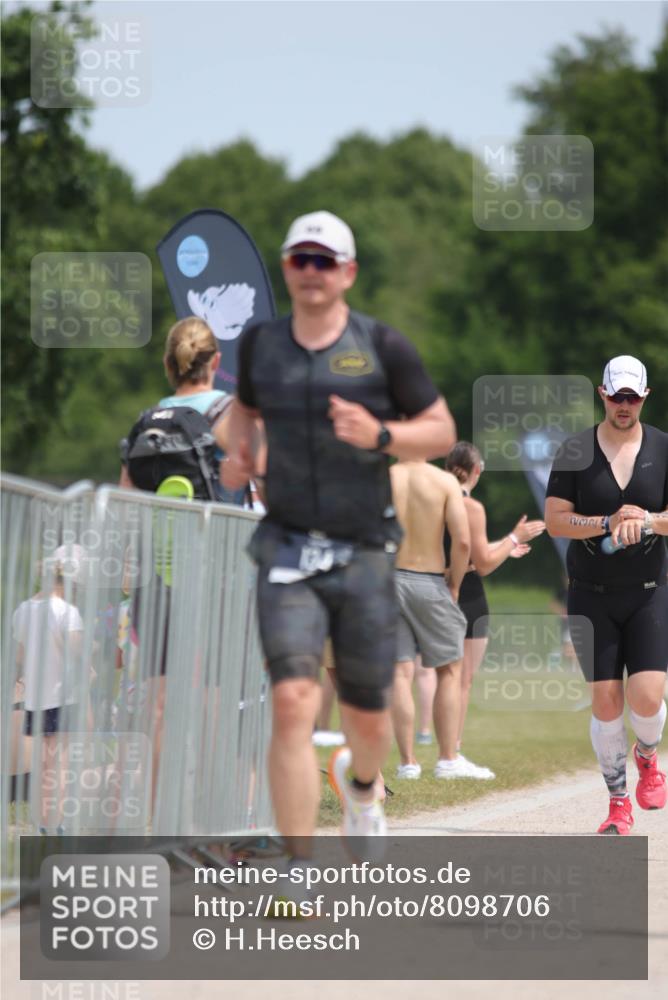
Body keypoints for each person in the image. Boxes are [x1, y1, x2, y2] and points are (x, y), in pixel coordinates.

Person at [222, 210, 456, 864]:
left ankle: (360, 788)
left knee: (369, 716)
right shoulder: (260, 345)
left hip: (362, 550)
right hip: (287, 546)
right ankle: (298, 868)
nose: (312, 271)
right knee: (294, 702)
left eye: (325, 261)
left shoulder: (383, 346)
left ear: (348, 272)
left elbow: (439, 429)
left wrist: (382, 436)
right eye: (301, 259)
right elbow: (240, 422)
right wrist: (238, 456)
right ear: (287, 267)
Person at [545, 355, 668, 835]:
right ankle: (618, 803)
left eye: (632, 397)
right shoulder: (574, 450)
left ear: (645, 397)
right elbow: (556, 520)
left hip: (648, 592)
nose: (624, 405)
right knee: (606, 702)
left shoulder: (662, 446)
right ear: (601, 394)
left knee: (647, 696)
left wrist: (649, 520)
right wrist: (605, 523)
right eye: (616, 396)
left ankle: (648, 755)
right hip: (590, 594)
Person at [444, 442, 545, 774]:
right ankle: (451, 754)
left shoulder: (436, 500)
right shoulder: (470, 506)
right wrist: (513, 539)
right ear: (477, 470)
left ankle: (421, 757)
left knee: (433, 676)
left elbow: (473, 549)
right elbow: (483, 564)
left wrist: (504, 547)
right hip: (467, 594)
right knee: (460, 680)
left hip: (431, 588)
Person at [389, 459, 474, 779]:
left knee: (399, 672)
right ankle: (447, 758)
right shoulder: (444, 482)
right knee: (449, 669)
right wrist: (454, 583)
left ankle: (407, 762)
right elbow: (462, 541)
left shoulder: (384, 478)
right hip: (428, 579)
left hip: (388, 579)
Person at [12, 545, 86, 833]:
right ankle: (58, 824)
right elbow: (78, 653)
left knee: (42, 764)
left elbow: (20, 656)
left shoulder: (23, 610)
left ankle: (42, 823)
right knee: (61, 765)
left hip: (34, 698)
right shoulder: (67, 612)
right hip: (62, 698)